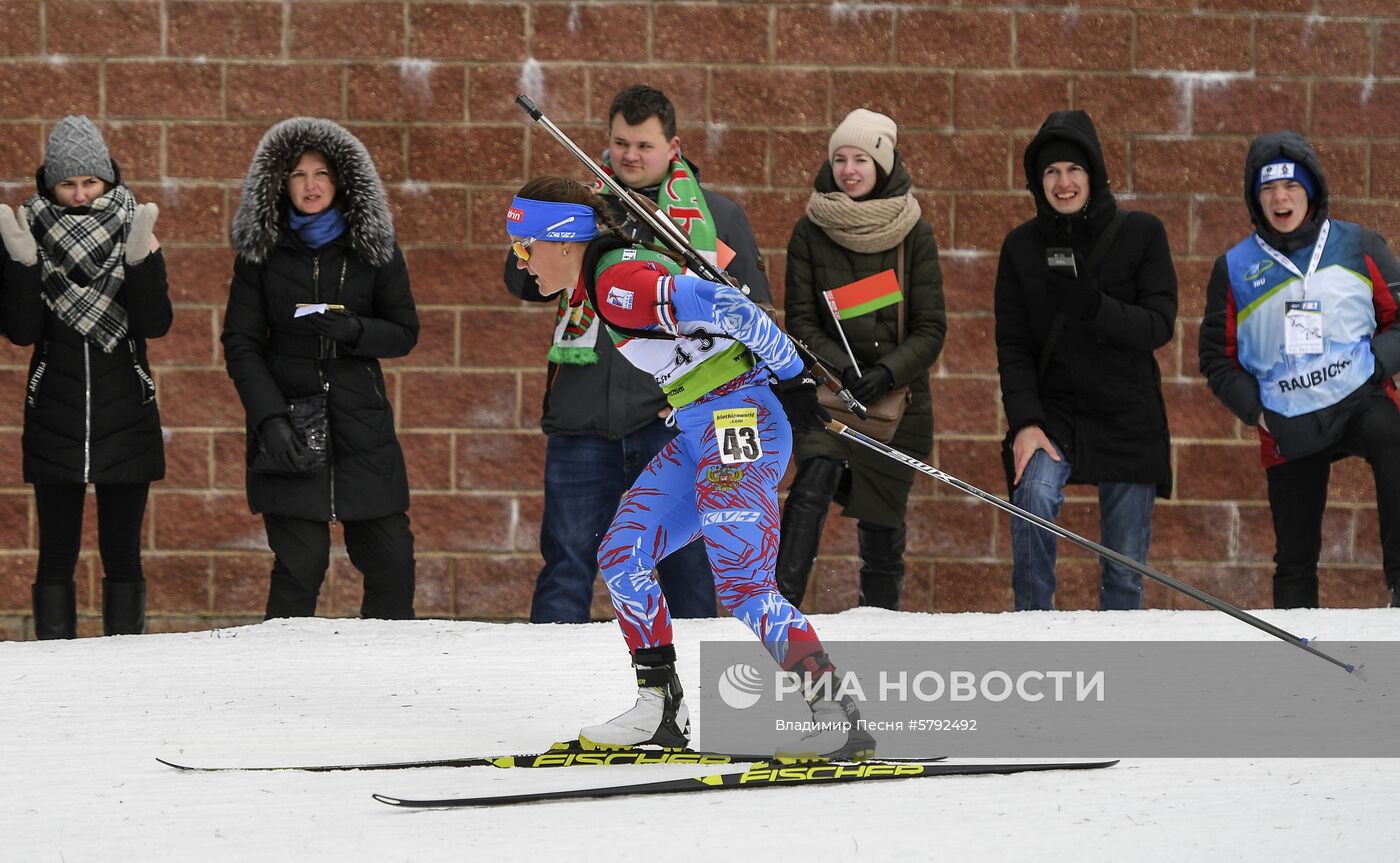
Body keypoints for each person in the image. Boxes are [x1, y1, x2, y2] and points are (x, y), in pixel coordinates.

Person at [506, 176, 874, 760]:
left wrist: (791, 375)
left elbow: (730, 304)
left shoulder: (617, 283)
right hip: (703, 425)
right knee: (623, 553)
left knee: (741, 577)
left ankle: (837, 713)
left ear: (562, 239)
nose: (520, 262)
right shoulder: (602, 276)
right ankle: (660, 711)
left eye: (524, 246)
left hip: (740, 421)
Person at [505, 84, 770, 624]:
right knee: (567, 560)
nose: (630, 155)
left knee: (686, 563)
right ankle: (548, 682)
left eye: (644, 146)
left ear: (673, 147)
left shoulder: (714, 216)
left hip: (669, 418)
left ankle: (689, 678)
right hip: (582, 417)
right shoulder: (580, 208)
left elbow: (753, 307)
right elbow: (523, 281)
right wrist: (575, 229)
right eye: (620, 143)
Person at [222, 117, 419, 620]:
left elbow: (404, 333)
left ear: (342, 181)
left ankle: (390, 681)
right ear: (280, 184)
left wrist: (354, 330)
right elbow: (240, 343)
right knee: (299, 568)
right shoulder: (261, 254)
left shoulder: (374, 250)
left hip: (363, 426)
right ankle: (283, 685)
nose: (311, 186)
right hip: (288, 425)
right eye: (298, 175)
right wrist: (270, 420)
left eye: (322, 174)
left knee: (391, 562)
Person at [1199, 131, 1400, 609]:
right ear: (1255, 198)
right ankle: (1297, 647)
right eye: (1267, 189)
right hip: (1287, 419)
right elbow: (1215, 357)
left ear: (1310, 190)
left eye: (1290, 186)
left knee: (1395, 438)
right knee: (1294, 553)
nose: (1280, 198)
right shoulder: (1234, 267)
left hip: (1359, 397)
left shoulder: (1359, 244)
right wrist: (1258, 414)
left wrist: (1378, 365)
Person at [994, 110, 1177, 611]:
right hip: (1054, 415)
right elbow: (1013, 345)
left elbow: (1159, 326)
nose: (1063, 181)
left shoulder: (1142, 233)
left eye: (1074, 169)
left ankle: (1117, 664)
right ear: (1038, 180)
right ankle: (1034, 628)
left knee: (1122, 575)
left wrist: (1094, 307)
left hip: (1128, 416)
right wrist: (1025, 422)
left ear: (1093, 174)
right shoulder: (1021, 247)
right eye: (1051, 171)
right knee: (1032, 497)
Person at [0, 115, 170, 639]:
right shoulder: (28, 233)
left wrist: (141, 262)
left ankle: (127, 663)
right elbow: (22, 331)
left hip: (128, 411)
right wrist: (24, 266)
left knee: (123, 554)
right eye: (67, 183)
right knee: (56, 554)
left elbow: (155, 324)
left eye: (89, 182)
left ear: (108, 181)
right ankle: (54, 663)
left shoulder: (133, 229)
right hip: (55, 410)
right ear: (50, 183)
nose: (78, 195)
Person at [776, 108, 946, 611]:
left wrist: (887, 372)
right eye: (841, 159)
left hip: (898, 402)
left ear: (884, 165)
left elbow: (931, 328)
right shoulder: (809, 231)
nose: (850, 170)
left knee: (883, 522)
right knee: (814, 479)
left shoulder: (915, 232)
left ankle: (880, 624)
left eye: (862, 159)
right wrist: (842, 370)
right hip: (831, 392)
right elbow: (801, 321)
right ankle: (776, 611)